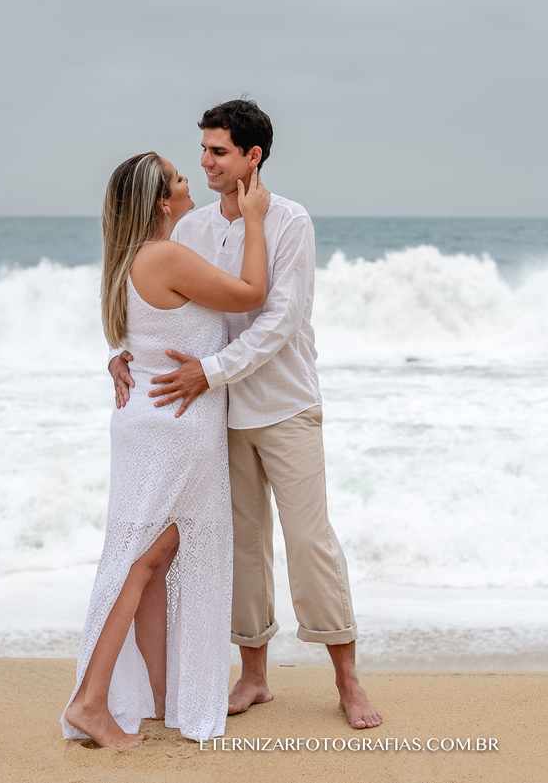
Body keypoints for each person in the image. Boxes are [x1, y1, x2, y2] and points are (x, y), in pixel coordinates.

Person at [109, 99, 382, 729]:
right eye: (203, 150)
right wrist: (123, 354)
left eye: (218, 151)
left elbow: (280, 319)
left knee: (310, 542)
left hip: (285, 405)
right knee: (243, 547)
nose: (205, 162)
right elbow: (167, 307)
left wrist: (210, 370)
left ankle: (347, 679)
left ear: (251, 156)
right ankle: (254, 677)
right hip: (217, 414)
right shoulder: (191, 229)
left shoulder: (290, 221)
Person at [62, 152, 271, 747]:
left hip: (149, 425)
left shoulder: (129, 259)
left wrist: (116, 358)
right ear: (161, 202)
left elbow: (140, 338)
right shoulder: (164, 256)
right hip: (175, 428)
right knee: (145, 562)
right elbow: (251, 293)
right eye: (179, 179)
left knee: (150, 567)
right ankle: (90, 702)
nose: (188, 182)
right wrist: (255, 219)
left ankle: (157, 699)